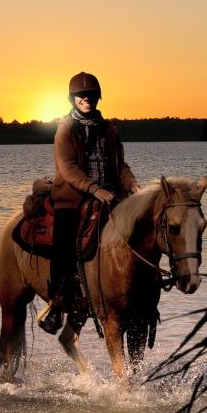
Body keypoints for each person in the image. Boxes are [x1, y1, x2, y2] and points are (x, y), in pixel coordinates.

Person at [38, 71, 140, 335]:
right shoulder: (65, 130)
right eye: (81, 95)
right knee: (64, 240)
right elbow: (68, 169)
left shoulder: (108, 129)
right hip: (74, 199)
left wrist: (132, 185)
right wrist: (94, 189)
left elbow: (120, 165)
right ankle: (58, 298)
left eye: (91, 95)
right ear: (72, 99)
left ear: (98, 97)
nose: (87, 99)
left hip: (109, 195)